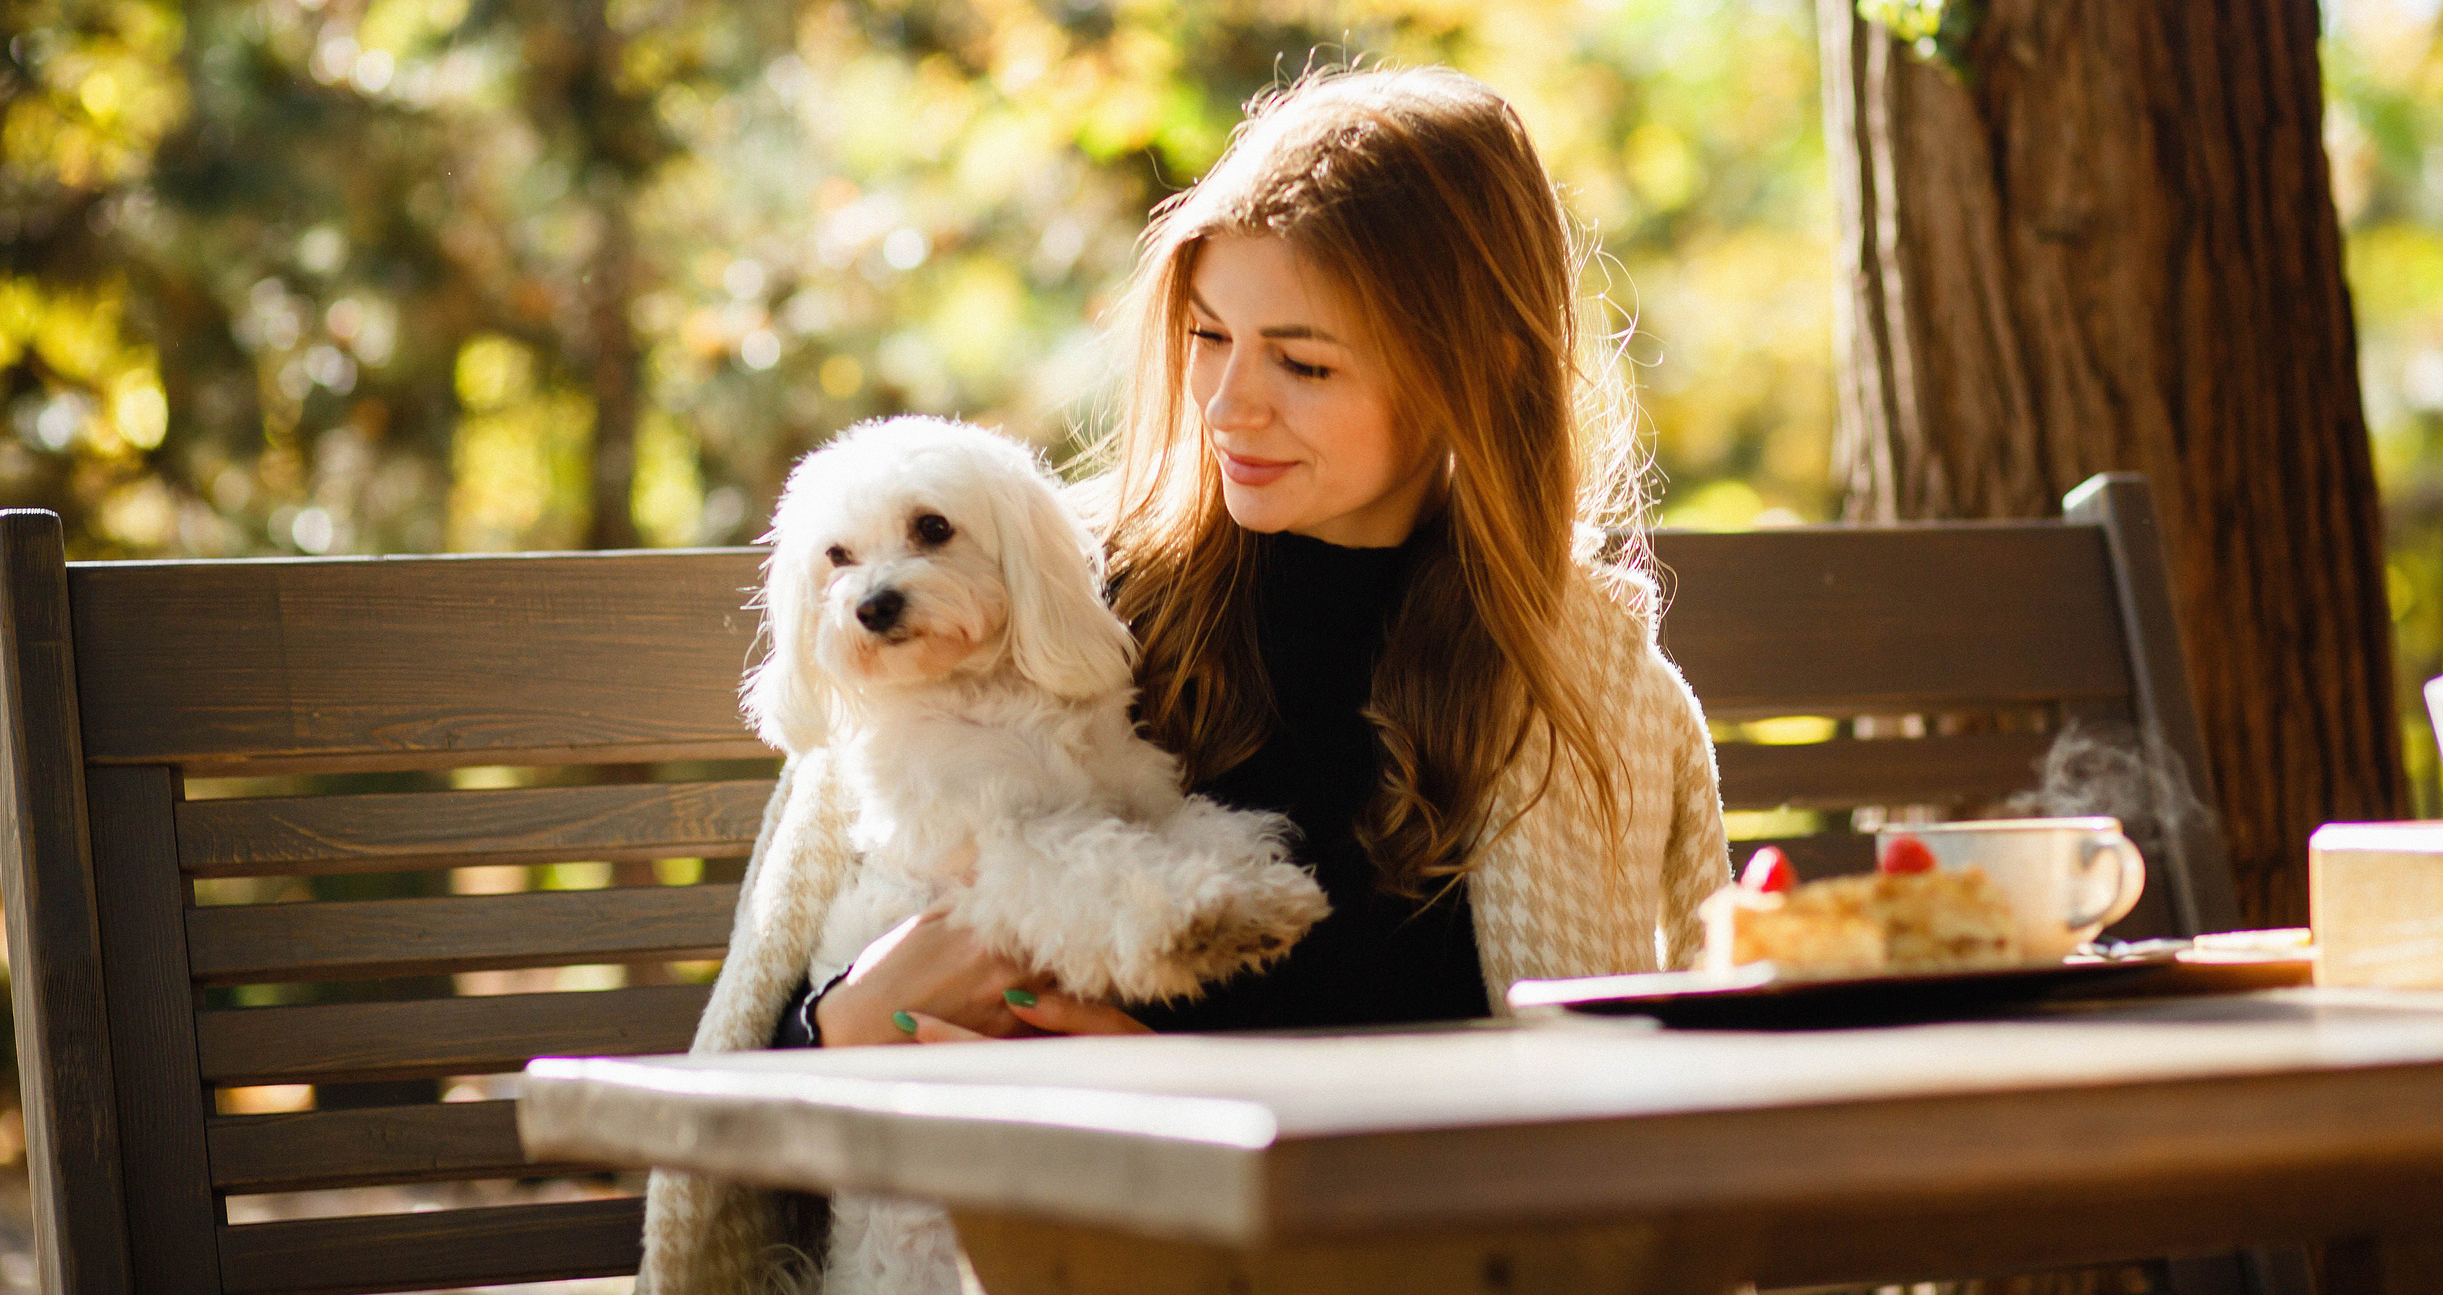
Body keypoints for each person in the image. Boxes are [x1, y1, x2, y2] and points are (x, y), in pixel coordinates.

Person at [638, 66, 1730, 1290]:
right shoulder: (1028, 587)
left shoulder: (1557, 680)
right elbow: (758, 1090)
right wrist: (849, 1017)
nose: (1226, 403)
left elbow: (1560, 1134)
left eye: (1304, 365)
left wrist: (1176, 1093)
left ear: (1469, 370)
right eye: (1208, 337)